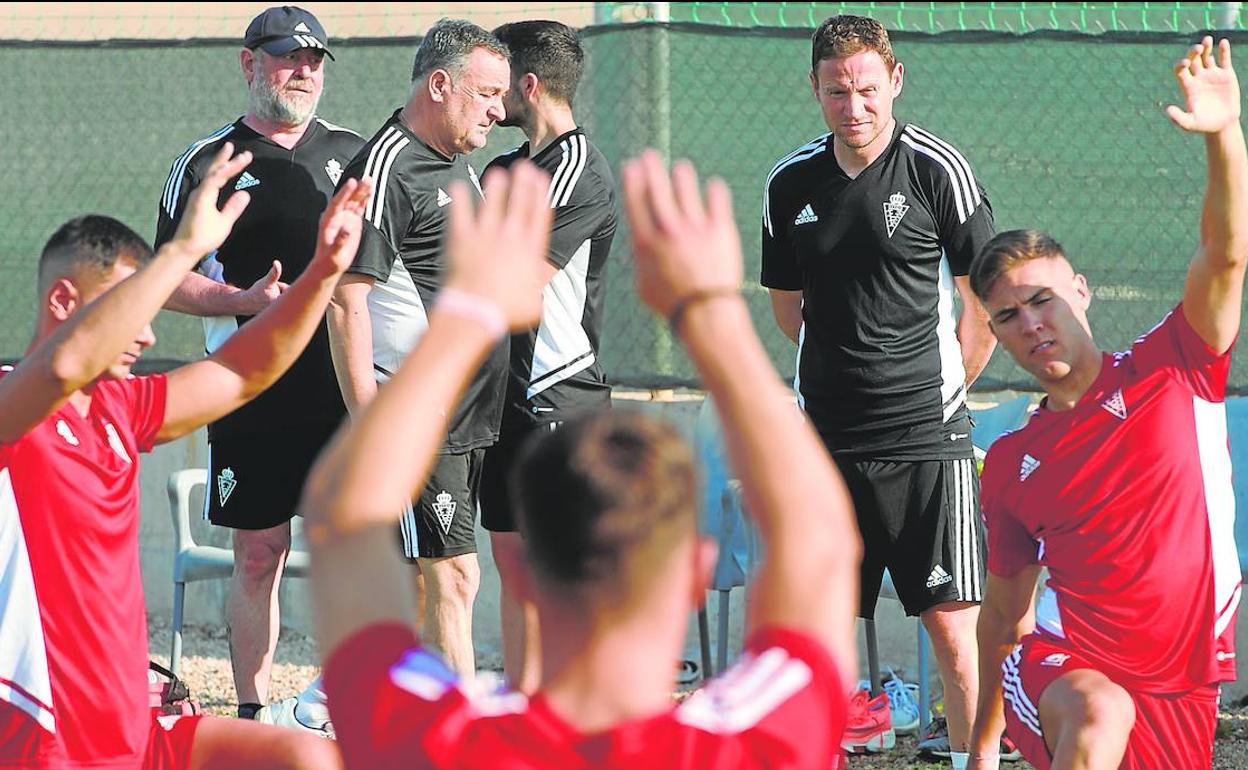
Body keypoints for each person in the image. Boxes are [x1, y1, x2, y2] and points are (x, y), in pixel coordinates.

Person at [304, 149, 859, 767]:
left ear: (519, 574)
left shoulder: (439, 739)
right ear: (698, 576)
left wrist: (469, 314)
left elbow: (341, 517)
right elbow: (820, 539)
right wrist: (708, 313)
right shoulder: (753, 743)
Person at [0, 144, 369, 768]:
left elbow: (240, 373)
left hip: (141, 736)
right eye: (134, 308)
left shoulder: (119, 407)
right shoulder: (13, 408)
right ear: (64, 303)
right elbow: (62, 363)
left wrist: (323, 275)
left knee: (315, 759)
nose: (147, 334)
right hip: (50, 748)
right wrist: (179, 252)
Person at [967, 36, 1244, 770]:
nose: (1030, 324)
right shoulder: (1011, 461)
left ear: (1081, 292)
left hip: (1185, 682)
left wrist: (1224, 138)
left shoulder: (1177, 364)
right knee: (1098, 714)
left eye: (1041, 300)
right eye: (1006, 316)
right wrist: (981, 746)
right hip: (1069, 668)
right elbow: (1003, 615)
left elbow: (1225, 254)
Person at [760, 14, 999, 764]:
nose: (853, 106)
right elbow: (787, 308)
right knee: (820, 644)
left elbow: (982, 305)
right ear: (815, 89)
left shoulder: (938, 171)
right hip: (825, 446)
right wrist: (846, 372)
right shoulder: (789, 182)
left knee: (957, 638)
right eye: (837, 92)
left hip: (929, 444)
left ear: (894, 81)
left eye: (866, 89)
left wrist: (936, 392)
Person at [154, 5, 363, 731]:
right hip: (250, 388)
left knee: (351, 552)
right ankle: (253, 714)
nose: (302, 71)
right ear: (250, 64)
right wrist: (243, 298)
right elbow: (165, 276)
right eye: (286, 58)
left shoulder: (357, 154)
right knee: (257, 553)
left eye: (313, 61)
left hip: (343, 389)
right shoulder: (208, 160)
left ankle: (343, 707)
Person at [324, 18, 509, 680]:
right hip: (416, 416)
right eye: (487, 92)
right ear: (440, 83)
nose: (499, 109)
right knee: (452, 575)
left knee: (442, 579)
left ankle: (400, 718)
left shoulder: (458, 166)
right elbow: (345, 303)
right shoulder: (381, 169)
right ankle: (454, 739)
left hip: (469, 416)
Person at [479, 19, 619, 693]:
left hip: (558, 397)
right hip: (501, 399)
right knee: (510, 563)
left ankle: (581, 715)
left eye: (497, 83)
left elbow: (515, 276)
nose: (488, 98)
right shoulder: (503, 167)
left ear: (528, 86)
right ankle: (520, 709)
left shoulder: (576, 169)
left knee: (561, 574)